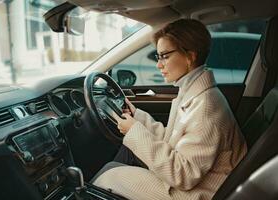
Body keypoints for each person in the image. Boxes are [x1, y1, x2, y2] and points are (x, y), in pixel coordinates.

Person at [92, 19, 247, 200]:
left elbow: (183, 175)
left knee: (108, 177)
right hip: (193, 182)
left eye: (165, 56)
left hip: (195, 193)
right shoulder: (192, 92)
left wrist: (134, 131)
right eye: (158, 57)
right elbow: (174, 140)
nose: (159, 65)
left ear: (190, 56)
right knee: (112, 167)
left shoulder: (206, 107)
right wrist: (138, 119)